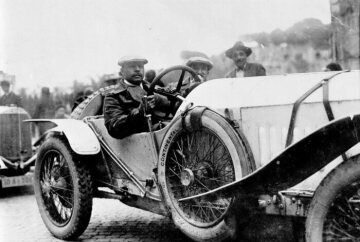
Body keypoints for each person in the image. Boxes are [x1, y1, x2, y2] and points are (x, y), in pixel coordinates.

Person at [103, 55, 169, 139]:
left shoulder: (155, 88)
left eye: (141, 66)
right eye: (132, 66)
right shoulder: (113, 96)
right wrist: (140, 112)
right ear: (122, 71)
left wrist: (160, 100)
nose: (137, 69)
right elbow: (114, 128)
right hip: (144, 143)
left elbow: (176, 106)